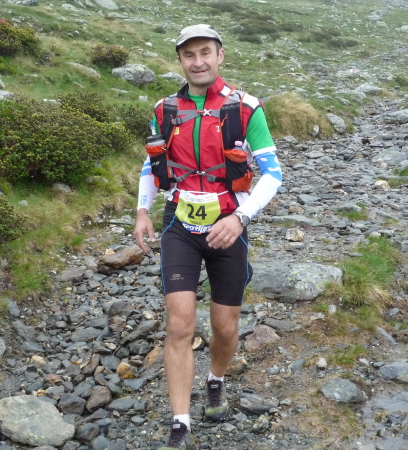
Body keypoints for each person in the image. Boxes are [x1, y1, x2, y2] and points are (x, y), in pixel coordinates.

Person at [134, 24, 282, 450]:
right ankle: (180, 421)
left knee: (225, 326)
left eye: (205, 53)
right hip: (179, 225)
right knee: (179, 323)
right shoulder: (164, 109)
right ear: (180, 61)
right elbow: (151, 165)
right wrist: (142, 210)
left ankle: (215, 379)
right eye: (189, 55)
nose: (197, 62)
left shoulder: (246, 109)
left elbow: (272, 174)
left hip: (228, 226)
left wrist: (240, 219)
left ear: (220, 56)